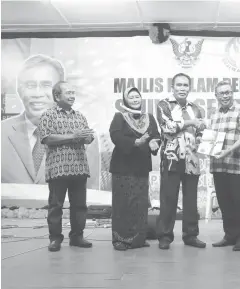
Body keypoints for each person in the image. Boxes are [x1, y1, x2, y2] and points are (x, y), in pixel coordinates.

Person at [1, 54, 100, 189]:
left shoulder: (86, 139)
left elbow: (89, 200)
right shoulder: (2, 132)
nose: (37, 93)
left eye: (46, 85)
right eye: (30, 85)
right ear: (19, 90)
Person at [39, 81, 94, 252]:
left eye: (73, 92)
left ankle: (77, 237)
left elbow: (87, 137)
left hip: (79, 167)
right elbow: (47, 138)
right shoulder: (48, 115)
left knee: (80, 205)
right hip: (58, 168)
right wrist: (73, 136)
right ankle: (55, 239)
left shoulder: (80, 116)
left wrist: (87, 137)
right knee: (56, 206)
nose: (72, 96)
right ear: (57, 96)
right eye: (68, 92)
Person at [156, 73, 206, 250]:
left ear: (189, 88)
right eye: (179, 85)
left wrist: (201, 138)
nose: (182, 88)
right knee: (169, 198)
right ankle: (165, 236)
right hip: (172, 158)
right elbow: (167, 127)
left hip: (192, 159)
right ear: (173, 87)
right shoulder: (164, 105)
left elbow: (200, 133)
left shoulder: (197, 108)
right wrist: (190, 122)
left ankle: (191, 235)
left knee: (191, 199)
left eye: (185, 85)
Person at [109, 87, 160, 251]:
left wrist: (154, 143)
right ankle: (121, 239)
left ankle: (138, 238)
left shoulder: (149, 117)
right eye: (131, 97)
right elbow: (115, 135)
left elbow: (156, 135)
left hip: (141, 166)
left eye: (137, 96)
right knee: (123, 203)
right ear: (125, 100)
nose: (135, 99)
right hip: (122, 166)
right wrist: (134, 143)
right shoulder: (119, 117)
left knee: (140, 202)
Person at [210, 80, 240, 252]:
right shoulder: (214, 114)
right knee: (225, 203)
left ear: (232, 93)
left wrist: (229, 150)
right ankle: (230, 236)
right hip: (219, 165)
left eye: (228, 92)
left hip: (239, 165)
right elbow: (211, 138)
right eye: (222, 93)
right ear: (216, 96)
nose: (225, 95)